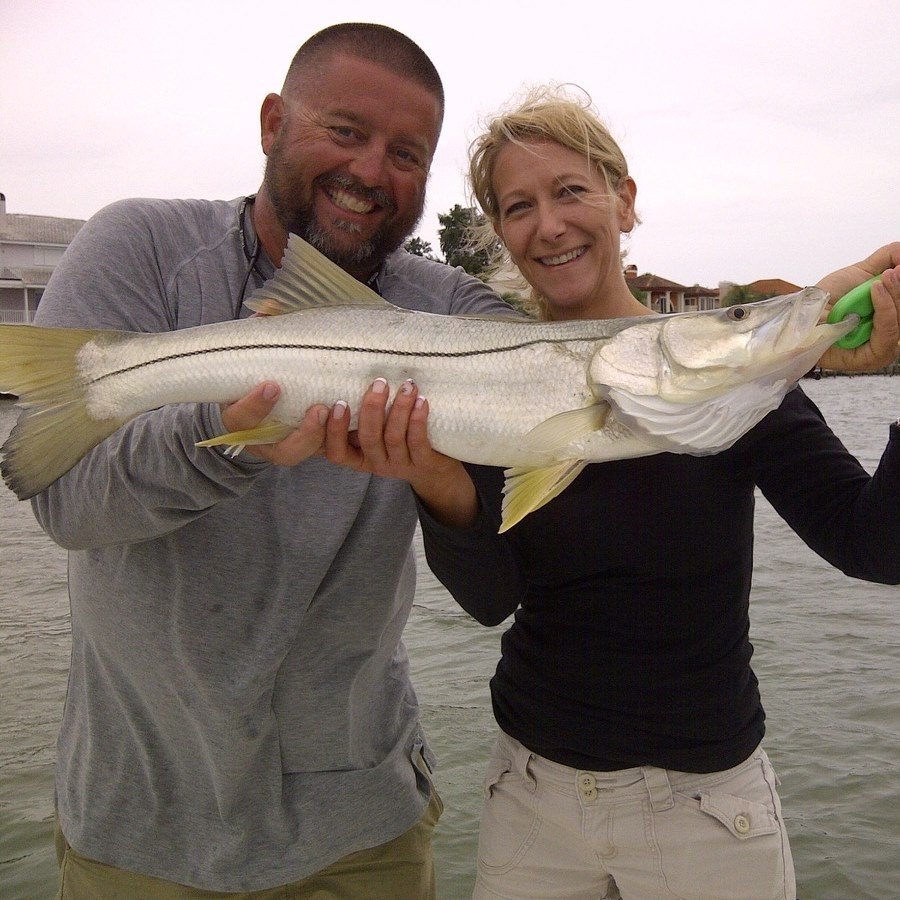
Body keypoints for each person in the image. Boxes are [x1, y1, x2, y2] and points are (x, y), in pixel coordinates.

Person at [323, 87, 900, 899]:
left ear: (624, 201)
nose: (548, 225)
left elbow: (876, 548)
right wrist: (433, 474)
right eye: (518, 206)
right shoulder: (494, 383)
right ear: (500, 233)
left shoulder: (735, 382)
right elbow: (492, 598)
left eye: (569, 191)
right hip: (530, 798)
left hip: (707, 814)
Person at [29, 23, 514, 900]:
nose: (372, 171)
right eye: (345, 132)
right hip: (134, 829)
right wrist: (223, 436)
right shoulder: (137, 246)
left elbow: (569, 360)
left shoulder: (447, 307)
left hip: (362, 832)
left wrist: (796, 324)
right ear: (271, 123)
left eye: (407, 153)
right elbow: (63, 503)